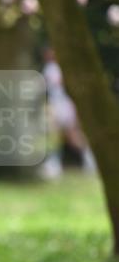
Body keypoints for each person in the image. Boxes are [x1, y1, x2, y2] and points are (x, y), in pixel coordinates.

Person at [41, 46, 95, 178]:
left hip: (65, 105)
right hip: (56, 105)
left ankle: (91, 161)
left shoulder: (63, 68)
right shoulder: (49, 68)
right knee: (55, 137)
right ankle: (54, 165)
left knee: (72, 136)